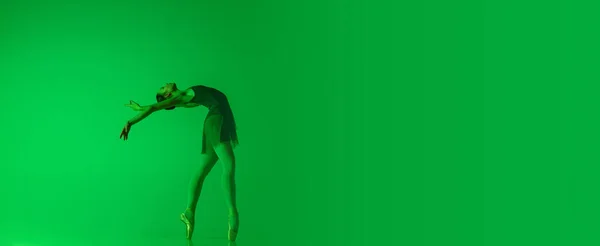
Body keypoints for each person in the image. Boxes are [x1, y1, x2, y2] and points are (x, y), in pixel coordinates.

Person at [120, 82, 240, 241]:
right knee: (228, 165)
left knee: (203, 169)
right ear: (169, 95)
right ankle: (233, 215)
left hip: (211, 123)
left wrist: (141, 107)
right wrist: (131, 122)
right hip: (217, 120)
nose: (164, 85)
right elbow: (155, 108)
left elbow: (156, 107)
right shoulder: (181, 96)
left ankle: (189, 212)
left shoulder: (186, 98)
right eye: (162, 88)